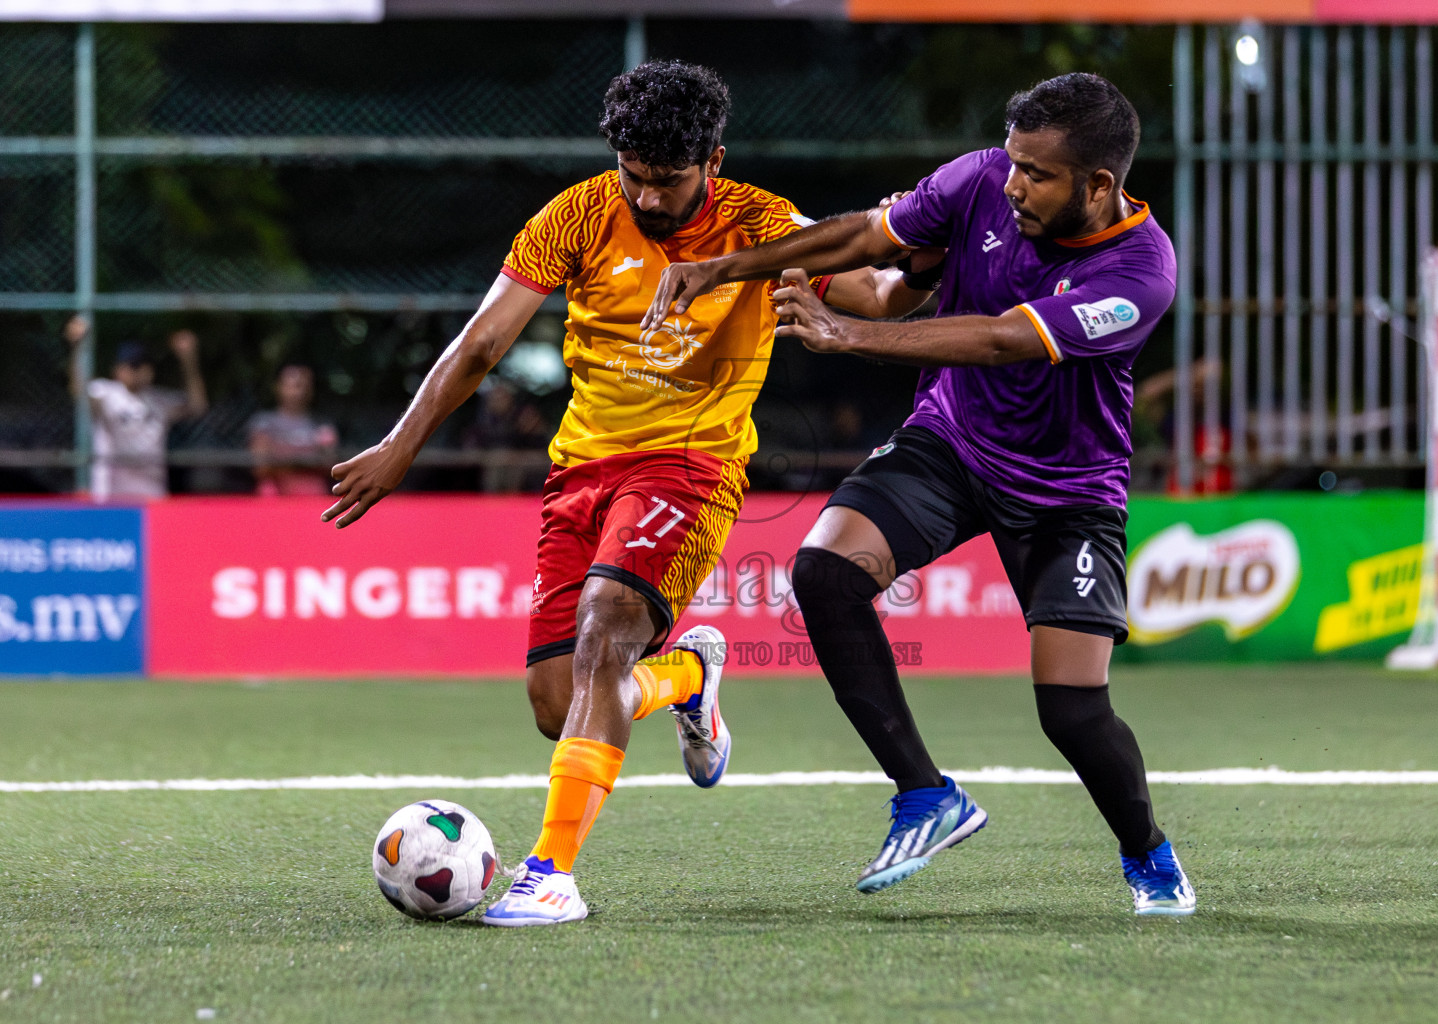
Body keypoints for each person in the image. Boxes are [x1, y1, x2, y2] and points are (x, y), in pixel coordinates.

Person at [321, 60, 933, 928]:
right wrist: (399, 447)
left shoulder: (763, 225)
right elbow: (484, 341)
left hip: (691, 465)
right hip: (581, 470)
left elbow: (877, 292)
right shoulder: (576, 214)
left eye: (666, 180)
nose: (645, 198)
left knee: (606, 630)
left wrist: (924, 258)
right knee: (554, 701)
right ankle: (687, 674)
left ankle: (551, 875)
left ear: (711, 160)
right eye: (632, 176)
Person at [644, 73, 1196, 916]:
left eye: (1036, 174)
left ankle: (1147, 853)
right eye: (1012, 163)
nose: (1011, 185)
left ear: (1098, 186)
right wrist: (724, 267)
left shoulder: (1141, 273)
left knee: (1073, 713)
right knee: (824, 573)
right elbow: (860, 240)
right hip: (951, 444)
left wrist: (850, 333)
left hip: (1066, 492)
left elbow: (1008, 337)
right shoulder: (978, 180)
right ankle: (925, 795)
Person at [64, 317, 208, 503]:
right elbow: (78, 391)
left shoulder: (159, 399)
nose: (139, 371)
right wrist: (76, 349)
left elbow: (198, 406)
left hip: (151, 491)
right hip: (112, 492)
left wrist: (189, 361)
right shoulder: (106, 393)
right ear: (118, 369)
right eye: (133, 366)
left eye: (143, 365)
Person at [248, 363, 338, 496]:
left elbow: (331, 465)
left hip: (312, 492)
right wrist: (305, 462)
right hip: (276, 491)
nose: (298, 392)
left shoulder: (322, 425)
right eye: (292, 386)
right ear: (278, 387)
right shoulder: (264, 423)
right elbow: (260, 467)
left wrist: (283, 459)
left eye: (302, 386)